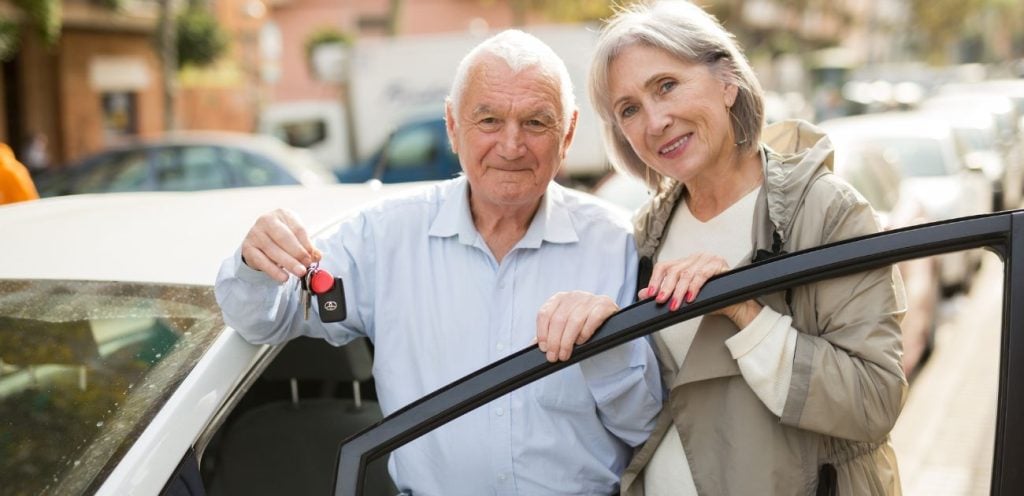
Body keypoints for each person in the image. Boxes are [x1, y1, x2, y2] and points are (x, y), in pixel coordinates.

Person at [215, 29, 662, 495]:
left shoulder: (620, 244)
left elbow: (647, 427)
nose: (511, 146)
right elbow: (262, 321)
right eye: (488, 120)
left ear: (567, 134)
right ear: (452, 126)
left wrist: (610, 347)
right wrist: (255, 262)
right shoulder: (383, 238)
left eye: (535, 123)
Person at [536, 2, 907, 495]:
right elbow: (657, 407)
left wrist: (741, 308)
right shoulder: (647, 231)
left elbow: (873, 400)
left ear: (727, 81)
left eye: (666, 86)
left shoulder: (826, 212)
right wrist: (610, 335)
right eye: (629, 109)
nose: (655, 121)